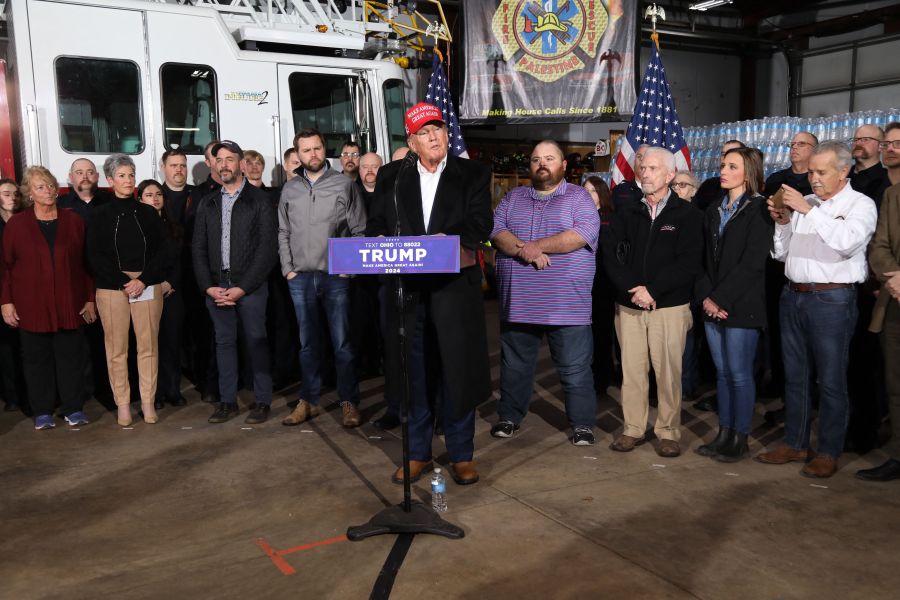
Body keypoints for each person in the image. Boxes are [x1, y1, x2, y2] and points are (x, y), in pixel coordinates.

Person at [367, 102, 493, 485]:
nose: (434, 136)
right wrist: (378, 241)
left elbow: (480, 223)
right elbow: (376, 223)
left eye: (438, 129)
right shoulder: (391, 176)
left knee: (456, 370)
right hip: (408, 292)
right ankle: (417, 453)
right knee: (413, 373)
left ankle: (461, 454)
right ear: (412, 141)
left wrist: (449, 240)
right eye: (425, 132)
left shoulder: (472, 172)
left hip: (455, 290)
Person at [756, 141, 877, 478]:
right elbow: (781, 254)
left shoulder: (860, 205)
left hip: (832, 301)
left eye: (821, 172)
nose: (814, 178)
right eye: (810, 171)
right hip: (792, 296)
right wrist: (782, 222)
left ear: (844, 171)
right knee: (795, 377)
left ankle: (827, 450)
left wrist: (810, 212)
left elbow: (846, 242)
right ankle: (795, 443)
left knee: (831, 379)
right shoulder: (806, 203)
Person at [490, 141, 601, 445]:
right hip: (519, 303)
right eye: (536, 159)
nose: (542, 164)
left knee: (574, 369)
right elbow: (497, 231)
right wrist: (526, 251)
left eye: (549, 158)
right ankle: (509, 417)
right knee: (514, 367)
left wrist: (538, 245)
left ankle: (582, 425)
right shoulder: (513, 197)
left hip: (567, 305)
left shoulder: (579, 198)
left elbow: (581, 235)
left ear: (564, 165)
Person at [603, 147, 704, 458]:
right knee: (632, 371)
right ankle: (633, 428)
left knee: (668, 373)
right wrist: (632, 290)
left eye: (652, 168)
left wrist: (654, 290)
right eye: (642, 167)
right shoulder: (627, 212)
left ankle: (668, 431)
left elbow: (688, 263)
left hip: (669, 307)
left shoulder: (688, 216)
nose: (644, 173)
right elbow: (611, 255)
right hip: (630, 305)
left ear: (670, 175)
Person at [279, 128, 365, 428]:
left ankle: (349, 401)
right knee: (307, 344)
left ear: (323, 149)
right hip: (300, 277)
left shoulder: (343, 185)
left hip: (335, 277)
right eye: (306, 150)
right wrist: (288, 269)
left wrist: (349, 268)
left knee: (342, 343)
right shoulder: (290, 189)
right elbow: (283, 231)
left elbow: (359, 230)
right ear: (298, 154)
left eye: (317, 148)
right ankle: (309, 400)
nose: (312, 154)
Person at [1, 166, 95, 429]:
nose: (49, 191)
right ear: (29, 194)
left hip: (70, 303)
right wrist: (6, 302)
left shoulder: (74, 221)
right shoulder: (17, 225)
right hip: (31, 306)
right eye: (41, 187)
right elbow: (5, 267)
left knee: (71, 359)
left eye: (51, 185)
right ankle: (42, 411)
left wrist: (89, 299)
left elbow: (85, 265)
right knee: (36, 360)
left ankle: (73, 408)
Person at [694, 148, 773, 462]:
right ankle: (724, 433)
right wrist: (706, 297)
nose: (723, 170)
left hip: (741, 305)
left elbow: (752, 263)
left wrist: (720, 299)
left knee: (740, 374)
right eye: (722, 165)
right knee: (723, 374)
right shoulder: (713, 209)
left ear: (748, 172)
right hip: (712, 304)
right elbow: (701, 260)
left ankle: (740, 438)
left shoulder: (759, 209)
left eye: (731, 166)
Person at [192, 140, 277, 424]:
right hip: (217, 286)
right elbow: (198, 248)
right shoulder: (208, 202)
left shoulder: (260, 200)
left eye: (230, 159)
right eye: (220, 160)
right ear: (214, 165)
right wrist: (208, 286)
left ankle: (262, 400)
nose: (224, 164)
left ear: (241, 164)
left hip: (249, 287)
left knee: (256, 342)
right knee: (224, 344)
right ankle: (227, 401)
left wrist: (242, 288)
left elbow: (267, 250)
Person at [88, 154, 167, 427]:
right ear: (110, 180)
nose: (128, 180)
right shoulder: (99, 215)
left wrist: (143, 280)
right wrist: (124, 282)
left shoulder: (147, 212)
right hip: (112, 288)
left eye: (131, 174)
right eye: (122, 175)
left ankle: (147, 401)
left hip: (146, 284)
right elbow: (94, 255)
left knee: (148, 347)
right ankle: (123, 404)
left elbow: (163, 251)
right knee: (117, 349)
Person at [760, 132, 818, 422]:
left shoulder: (818, 184)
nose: (795, 148)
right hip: (779, 265)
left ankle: (811, 400)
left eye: (802, 144)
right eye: (792, 144)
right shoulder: (775, 180)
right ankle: (784, 392)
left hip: (814, 270)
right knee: (780, 334)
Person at [858, 177, 900, 481]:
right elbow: (879, 245)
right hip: (895, 302)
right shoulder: (892, 194)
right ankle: (899, 457)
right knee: (895, 386)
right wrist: (894, 277)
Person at [137, 179, 186, 410]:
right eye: (149, 194)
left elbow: (180, 260)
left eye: (158, 194)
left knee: (172, 342)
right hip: (146, 292)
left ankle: (173, 390)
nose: (155, 198)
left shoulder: (175, 227)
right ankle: (153, 394)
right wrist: (154, 284)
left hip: (172, 292)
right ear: (140, 199)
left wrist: (170, 282)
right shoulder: (136, 228)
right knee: (150, 344)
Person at [586, 176, 617, 396]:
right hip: (581, 285)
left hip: (602, 285)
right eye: (584, 190)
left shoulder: (608, 219)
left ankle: (601, 380)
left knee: (601, 335)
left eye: (593, 191)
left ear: (602, 194)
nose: (587, 195)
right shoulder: (576, 217)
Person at [0, 178, 28, 414]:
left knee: (26, 346)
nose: (12, 197)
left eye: (15, 194)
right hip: (2, 291)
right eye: (6, 193)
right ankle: (12, 395)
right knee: (6, 348)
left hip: (24, 291)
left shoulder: (24, 222)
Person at [693, 140, 745, 211]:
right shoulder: (709, 185)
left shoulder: (753, 196)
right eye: (723, 154)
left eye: (731, 153)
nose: (726, 157)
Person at [57, 158, 112, 222]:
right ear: (71, 177)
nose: (85, 177)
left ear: (97, 176)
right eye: (79, 173)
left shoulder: (112, 201)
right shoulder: (59, 204)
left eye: (90, 172)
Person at [849, 124, 889, 208]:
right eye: (855, 140)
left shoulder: (889, 182)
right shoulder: (840, 177)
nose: (858, 143)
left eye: (865, 139)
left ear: (880, 146)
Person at [611, 143, 649, 211]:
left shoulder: (661, 191)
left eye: (646, 156)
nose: (642, 160)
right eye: (639, 156)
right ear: (634, 162)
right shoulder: (620, 190)